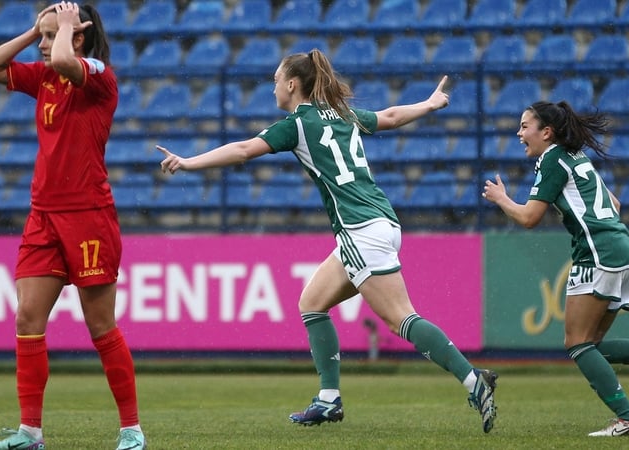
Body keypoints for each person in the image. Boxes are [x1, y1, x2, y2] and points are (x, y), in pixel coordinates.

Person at [157, 49, 499, 433]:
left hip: (359, 229)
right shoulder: (342, 113)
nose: (272, 87)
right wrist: (430, 103)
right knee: (312, 303)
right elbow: (389, 117)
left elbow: (242, 151)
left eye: (275, 80)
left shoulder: (298, 123)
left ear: (291, 84)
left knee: (401, 318)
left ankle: (473, 380)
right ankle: (328, 400)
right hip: (380, 219)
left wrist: (188, 162)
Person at [482, 100, 629, 437]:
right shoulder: (577, 158)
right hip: (622, 247)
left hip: (598, 254)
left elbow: (530, 218)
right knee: (592, 344)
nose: (519, 133)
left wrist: (501, 199)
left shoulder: (552, 160)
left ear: (546, 132)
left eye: (524, 126)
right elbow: (614, 204)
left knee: (576, 343)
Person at [0, 3, 145, 449]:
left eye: (52, 36)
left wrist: (65, 30)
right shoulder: (45, 76)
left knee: (100, 327)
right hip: (43, 216)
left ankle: (132, 430)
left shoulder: (98, 75)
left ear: (79, 37)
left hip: (88, 215)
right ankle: (30, 433)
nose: (46, 45)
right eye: (43, 37)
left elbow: (69, 61)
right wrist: (35, 32)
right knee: (28, 317)